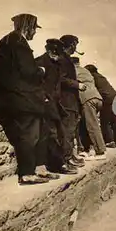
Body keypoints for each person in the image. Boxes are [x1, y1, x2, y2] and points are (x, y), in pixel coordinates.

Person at [0, 13, 56, 185]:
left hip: (9, 98)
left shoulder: (7, 41)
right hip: (20, 100)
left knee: (39, 131)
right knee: (29, 135)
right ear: (28, 27)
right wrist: (40, 70)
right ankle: (27, 174)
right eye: (34, 28)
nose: (35, 32)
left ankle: (39, 168)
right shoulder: (19, 42)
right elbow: (28, 72)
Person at [35, 38, 78, 175]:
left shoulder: (56, 64)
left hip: (55, 103)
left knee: (58, 133)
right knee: (51, 134)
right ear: (50, 50)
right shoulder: (40, 62)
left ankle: (58, 163)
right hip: (44, 103)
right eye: (56, 52)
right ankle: (56, 165)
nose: (58, 56)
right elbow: (35, 82)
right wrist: (44, 98)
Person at [58, 34, 87, 168]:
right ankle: (66, 160)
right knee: (67, 132)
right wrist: (77, 85)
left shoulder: (66, 59)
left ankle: (70, 156)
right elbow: (62, 79)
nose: (76, 47)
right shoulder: (63, 60)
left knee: (70, 132)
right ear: (71, 45)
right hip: (66, 101)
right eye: (75, 44)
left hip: (71, 101)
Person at [72, 57, 107, 161]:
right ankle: (87, 149)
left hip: (88, 99)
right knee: (87, 124)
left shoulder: (74, 70)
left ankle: (100, 151)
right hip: (97, 98)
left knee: (92, 125)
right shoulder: (86, 71)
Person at [84, 64, 116, 148]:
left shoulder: (92, 77)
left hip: (107, 99)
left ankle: (109, 141)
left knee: (105, 121)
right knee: (115, 121)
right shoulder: (101, 77)